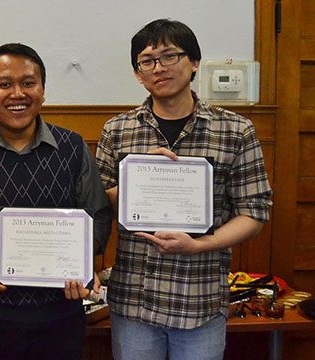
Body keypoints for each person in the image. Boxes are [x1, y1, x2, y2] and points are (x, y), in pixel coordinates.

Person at [95, 19, 273, 360]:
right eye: (147, 61)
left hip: (200, 299)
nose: (158, 68)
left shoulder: (236, 130)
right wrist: (138, 174)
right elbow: (100, 200)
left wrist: (199, 245)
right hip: (134, 300)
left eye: (169, 56)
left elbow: (254, 212)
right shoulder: (117, 130)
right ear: (138, 74)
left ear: (194, 63)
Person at [0, 43, 112, 360]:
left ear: (43, 91)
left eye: (28, 83)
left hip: (59, 317)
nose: (17, 93)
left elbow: (97, 215)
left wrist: (83, 263)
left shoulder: (72, 147)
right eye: (4, 84)